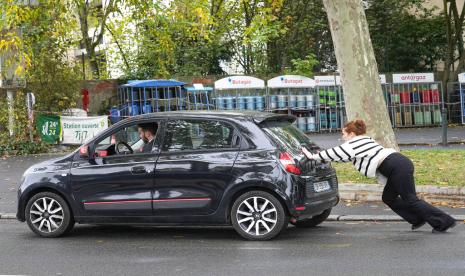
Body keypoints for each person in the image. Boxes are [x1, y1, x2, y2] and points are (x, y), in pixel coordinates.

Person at [301, 119, 456, 233]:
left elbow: (334, 153)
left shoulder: (354, 144)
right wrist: (320, 155)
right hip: (399, 164)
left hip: (397, 167)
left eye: (343, 134)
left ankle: (444, 222)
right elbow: (343, 156)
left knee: (411, 199)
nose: (342, 137)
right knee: (388, 198)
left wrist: (312, 156)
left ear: (352, 134)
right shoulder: (364, 140)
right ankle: (417, 218)